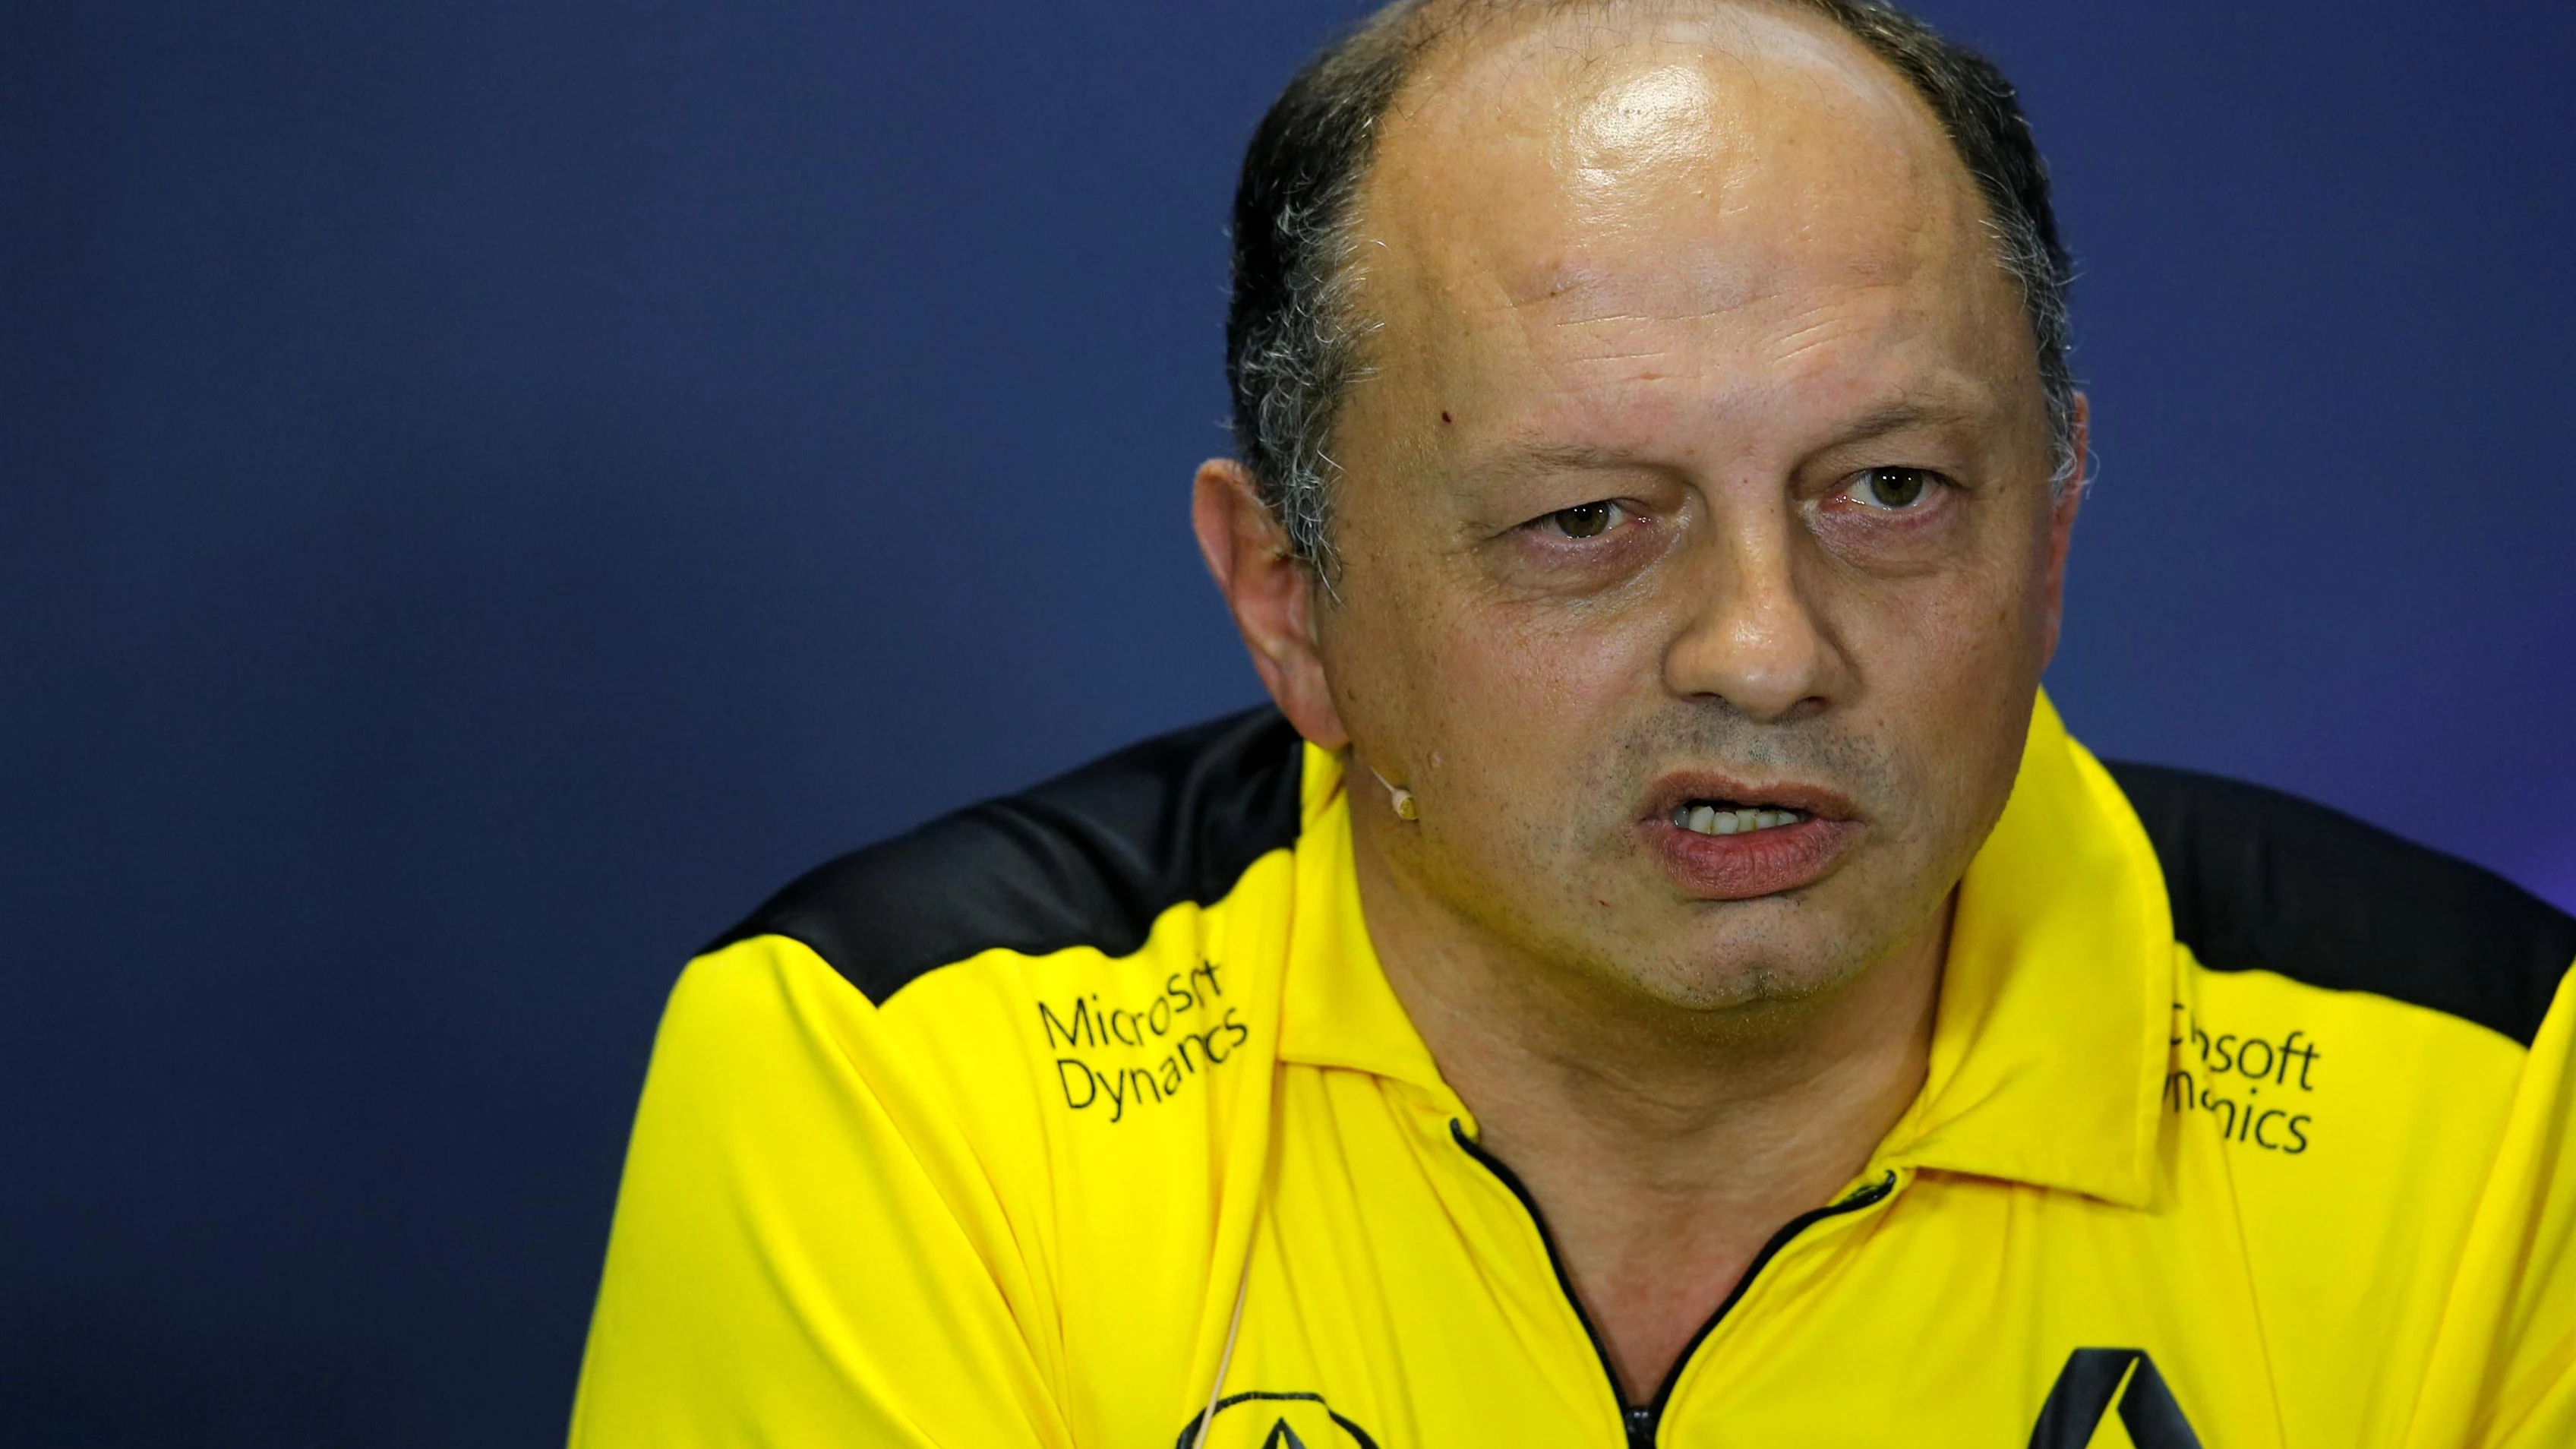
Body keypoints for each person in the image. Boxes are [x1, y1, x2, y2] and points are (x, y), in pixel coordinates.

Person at [569, 1, 2576, 1444]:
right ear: (1293, 603)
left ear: (2053, 532)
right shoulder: (905, 1073)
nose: (1770, 654)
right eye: (1588, 522)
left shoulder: (2496, 1103)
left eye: (1889, 489)